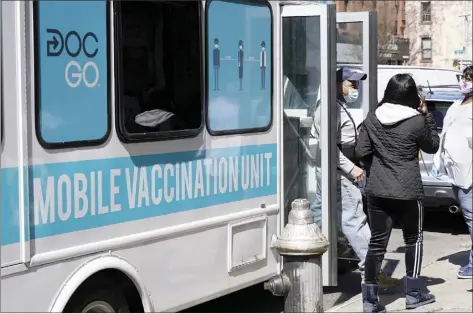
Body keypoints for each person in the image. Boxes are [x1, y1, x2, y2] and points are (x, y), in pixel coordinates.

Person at [356, 73, 439, 312]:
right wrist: (427, 115)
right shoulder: (417, 120)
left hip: (378, 191)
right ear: (413, 96)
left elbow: (362, 149)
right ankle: (413, 293)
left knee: (377, 243)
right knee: (414, 240)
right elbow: (431, 146)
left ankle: (370, 300)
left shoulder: (373, 117)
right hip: (409, 191)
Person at [311, 67, 400, 289]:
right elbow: (329, 146)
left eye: (357, 84)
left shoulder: (337, 107)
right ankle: (372, 274)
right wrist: (351, 169)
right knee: (355, 221)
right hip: (340, 173)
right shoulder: (330, 109)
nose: (356, 89)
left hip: (338, 171)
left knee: (321, 217)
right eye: (351, 84)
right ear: (337, 84)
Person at [431, 65, 473, 279]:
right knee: (468, 218)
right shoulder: (456, 104)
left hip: (470, 171)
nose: (464, 82)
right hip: (455, 171)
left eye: (469, 78)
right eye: (463, 77)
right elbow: (446, 133)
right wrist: (439, 160)